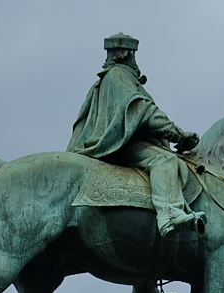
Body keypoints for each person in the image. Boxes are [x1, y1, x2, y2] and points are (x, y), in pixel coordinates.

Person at [67, 33, 205, 243]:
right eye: (133, 55)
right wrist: (178, 134)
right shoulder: (120, 75)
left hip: (113, 142)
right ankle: (169, 215)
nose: (135, 60)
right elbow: (143, 110)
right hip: (118, 146)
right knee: (165, 160)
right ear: (126, 54)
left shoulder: (105, 79)